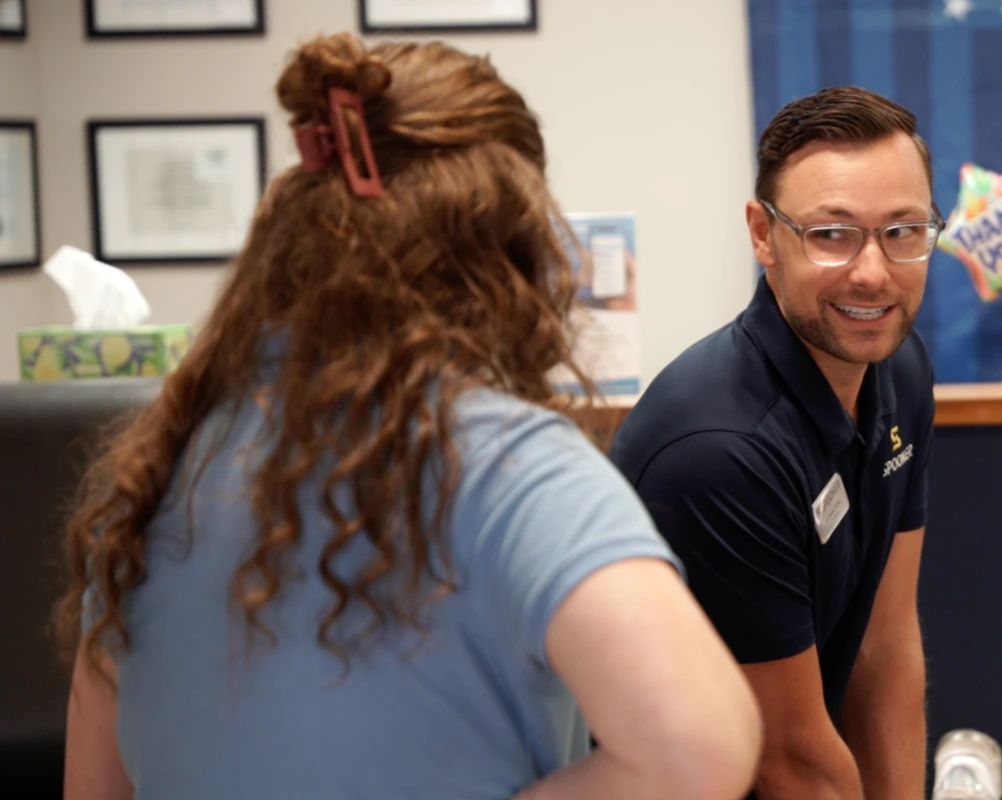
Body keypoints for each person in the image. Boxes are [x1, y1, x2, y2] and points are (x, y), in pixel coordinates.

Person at [55, 33, 762, 800]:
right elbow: (700, 745)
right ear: (511, 252)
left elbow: (96, 785)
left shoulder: (162, 467)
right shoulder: (506, 465)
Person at [611, 85, 940, 800]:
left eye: (903, 230)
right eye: (832, 233)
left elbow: (885, 649)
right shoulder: (718, 451)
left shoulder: (899, 368)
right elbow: (790, 762)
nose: (873, 273)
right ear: (763, 234)